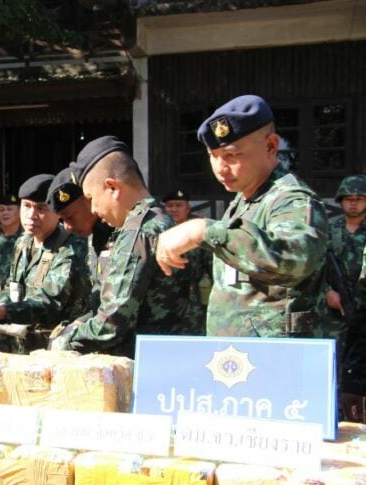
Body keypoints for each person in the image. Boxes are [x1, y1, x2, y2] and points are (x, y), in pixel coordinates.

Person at [155, 95, 329, 338]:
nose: (220, 168)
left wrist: (204, 230)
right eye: (213, 155)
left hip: (276, 362)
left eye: (231, 156)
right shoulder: (244, 200)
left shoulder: (290, 198)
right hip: (238, 360)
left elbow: (295, 259)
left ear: (271, 146)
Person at [50, 136, 189, 357]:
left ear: (112, 187)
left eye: (91, 198)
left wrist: (62, 342)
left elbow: (111, 323)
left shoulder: (137, 231)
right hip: (169, 357)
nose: (93, 209)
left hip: (143, 364)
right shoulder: (159, 218)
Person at [0, 174, 91, 354]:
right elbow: (13, 287)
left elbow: (48, 303)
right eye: (26, 206)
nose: (31, 215)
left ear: (56, 211)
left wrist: (3, 311)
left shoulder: (69, 249)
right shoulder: (24, 242)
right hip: (23, 345)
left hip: (56, 350)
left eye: (41, 208)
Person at [324, 175, 365, 413]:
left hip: (364, 307)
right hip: (336, 310)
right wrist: (328, 291)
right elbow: (316, 266)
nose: (353, 204)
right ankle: (337, 412)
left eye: (359, 199)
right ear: (341, 201)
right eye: (349, 199)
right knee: (336, 361)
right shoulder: (329, 230)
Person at [46, 166, 114, 294]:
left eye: (69, 217)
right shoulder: (92, 238)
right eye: (61, 220)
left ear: (89, 199)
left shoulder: (121, 231)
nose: (67, 227)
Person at [160, 189, 212, 335]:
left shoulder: (198, 233)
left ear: (188, 208)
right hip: (163, 298)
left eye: (179, 205)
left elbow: (210, 266)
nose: (174, 209)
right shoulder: (159, 231)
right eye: (170, 206)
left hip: (192, 298)